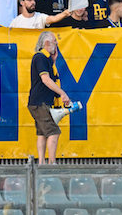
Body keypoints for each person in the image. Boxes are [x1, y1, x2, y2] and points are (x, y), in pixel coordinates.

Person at [28, 31, 70, 164]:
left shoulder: (45, 59)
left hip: (38, 102)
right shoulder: (40, 57)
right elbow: (45, 79)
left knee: (42, 133)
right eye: (54, 41)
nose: (57, 44)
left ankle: (41, 162)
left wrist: (53, 61)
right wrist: (62, 93)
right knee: (53, 131)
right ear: (46, 43)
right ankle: (52, 163)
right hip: (40, 103)